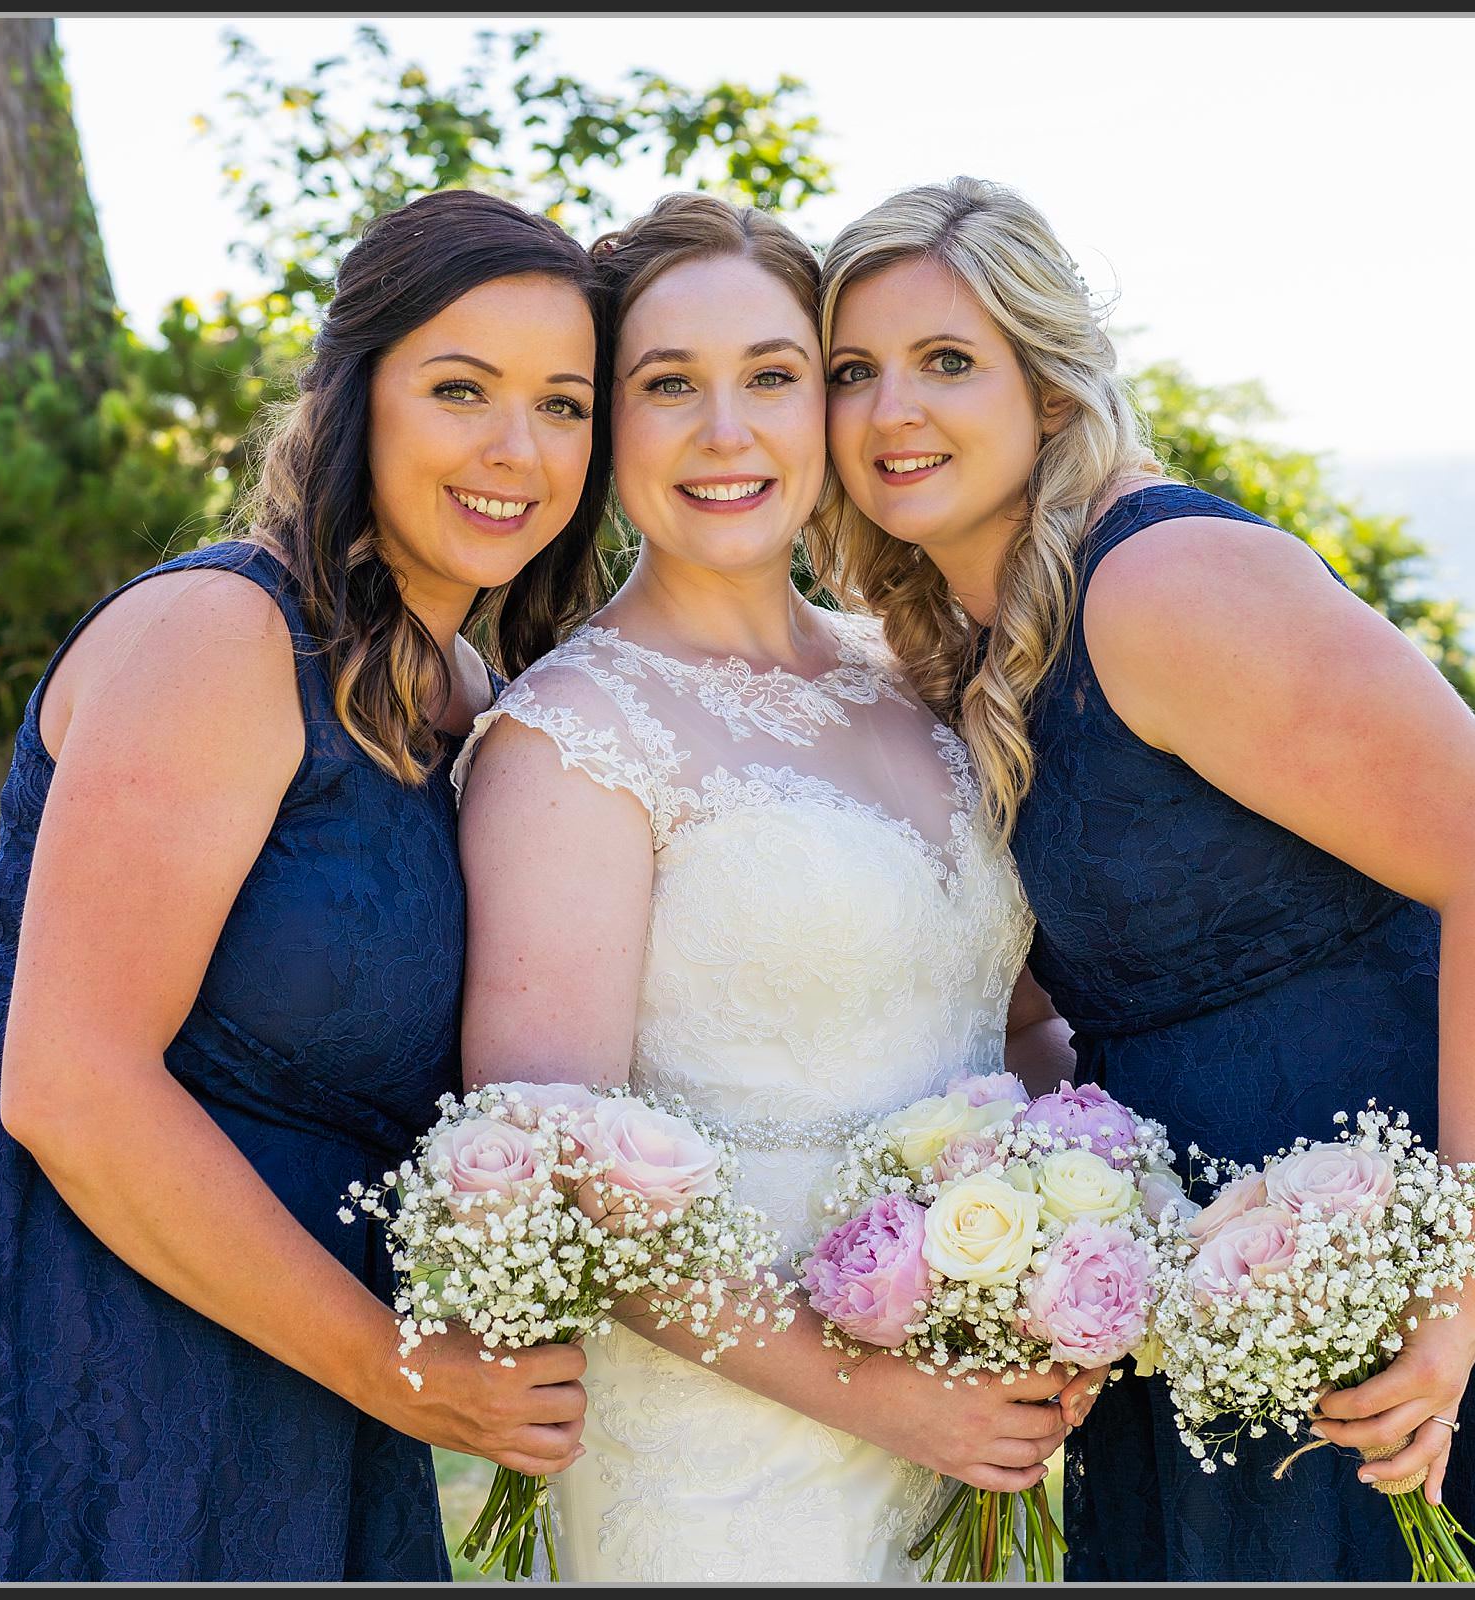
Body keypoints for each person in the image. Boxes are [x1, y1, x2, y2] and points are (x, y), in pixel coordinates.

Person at [810, 174, 1475, 1583]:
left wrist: (1459, 1303)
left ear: (1048, 390)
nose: (891, 412)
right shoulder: (964, 646)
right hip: (1222, 1283)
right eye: (853, 371)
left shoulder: (1157, 582)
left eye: (946, 362)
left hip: (1449, 1230)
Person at [0, 189, 609, 1582]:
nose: (516, 449)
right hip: (35, 1347)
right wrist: (403, 1373)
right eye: (461, 389)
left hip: (277, 1373)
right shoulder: (221, 634)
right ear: (355, 399)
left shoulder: (480, 701)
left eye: (563, 403)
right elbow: (72, 1085)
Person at [450, 191, 1101, 1583]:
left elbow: (1024, 1027)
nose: (726, 431)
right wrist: (893, 1403)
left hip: (967, 1422)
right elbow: (559, 1170)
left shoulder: (923, 675)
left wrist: (1093, 1238)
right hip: (721, 1467)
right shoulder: (571, 739)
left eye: (773, 376)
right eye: (667, 385)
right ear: (609, 424)